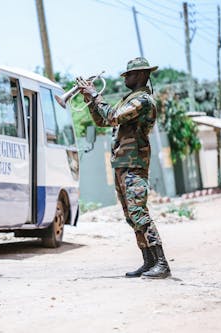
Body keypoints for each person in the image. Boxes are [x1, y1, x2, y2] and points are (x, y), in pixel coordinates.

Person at [79, 57, 171, 279]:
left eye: (129, 75)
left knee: (139, 212)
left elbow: (112, 116)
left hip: (134, 163)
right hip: (122, 163)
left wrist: (94, 95)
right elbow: (103, 121)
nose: (126, 78)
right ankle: (148, 262)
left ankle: (161, 263)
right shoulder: (129, 99)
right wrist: (90, 101)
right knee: (131, 215)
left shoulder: (143, 101)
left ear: (141, 75)